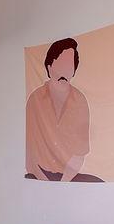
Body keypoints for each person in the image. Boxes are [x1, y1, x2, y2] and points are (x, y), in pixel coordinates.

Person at [25, 38, 103, 182]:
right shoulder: (34, 100)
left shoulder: (80, 101)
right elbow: (29, 152)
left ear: (74, 70)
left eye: (69, 65)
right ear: (49, 67)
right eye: (60, 63)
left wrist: (63, 183)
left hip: (69, 176)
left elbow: (80, 153)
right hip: (39, 174)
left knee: (99, 183)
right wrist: (45, 182)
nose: (65, 71)